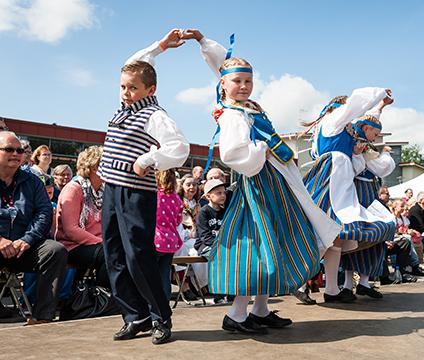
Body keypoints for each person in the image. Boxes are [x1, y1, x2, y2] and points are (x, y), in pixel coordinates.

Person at [185, 29, 339, 334]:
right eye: (237, 81)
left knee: (275, 244)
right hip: (256, 187)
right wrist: (262, 148)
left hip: (272, 185)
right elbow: (231, 153)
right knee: (256, 249)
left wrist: (205, 42)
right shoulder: (231, 114)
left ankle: (259, 308)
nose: (243, 86)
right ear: (223, 85)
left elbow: (223, 64)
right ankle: (236, 314)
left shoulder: (249, 108)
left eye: (248, 81)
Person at [99, 29, 190, 344]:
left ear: (150, 89)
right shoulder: (125, 106)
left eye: (133, 88)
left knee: (138, 254)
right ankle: (134, 316)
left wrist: (149, 159)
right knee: (113, 253)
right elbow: (134, 62)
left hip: (135, 192)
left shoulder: (154, 115)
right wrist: (162, 45)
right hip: (111, 188)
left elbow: (180, 148)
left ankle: (160, 317)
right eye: (123, 87)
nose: (125, 92)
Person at [299, 83, 396, 304]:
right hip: (332, 179)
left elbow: (366, 117)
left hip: (340, 180)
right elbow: (357, 106)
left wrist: (380, 105)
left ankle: (332, 289)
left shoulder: (341, 130)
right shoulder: (333, 121)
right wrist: (379, 93)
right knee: (326, 233)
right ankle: (300, 281)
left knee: (337, 237)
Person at [0, 131, 67, 325]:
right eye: (9, 149)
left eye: (20, 150)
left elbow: (44, 214)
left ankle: (42, 317)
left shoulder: (32, 182)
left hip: (23, 247)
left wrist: (27, 239)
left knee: (55, 251)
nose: (16, 154)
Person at [340, 99, 399, 299]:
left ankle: (363, 282)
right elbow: (381, 167)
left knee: (373, 235)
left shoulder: (363, 142)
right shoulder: (358, 144)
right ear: (365, 129)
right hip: (359, 193)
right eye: (375, 134)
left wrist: (381, 106)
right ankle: (349, 284)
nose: (376, 137)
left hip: (369, 193)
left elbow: (370, 119)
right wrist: (386, 155)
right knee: (357, 234)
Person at [55, 146, 108, 287]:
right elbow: (71, 229)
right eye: (106, 164)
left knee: (122, 250)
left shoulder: (103, 190)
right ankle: (101, 298)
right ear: (93, 167)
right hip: (71, 245)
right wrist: (100, 242)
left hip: (94, 243)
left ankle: (109, 299)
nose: (110, 169)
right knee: (109, 255)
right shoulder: (74, 189)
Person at [196, 179, 227, 303]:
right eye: (219, 193)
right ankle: (218, 294)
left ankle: (231, 292)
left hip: (222, 246)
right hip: (205, 246)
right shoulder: (203, 212)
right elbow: (205, 236)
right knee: (219, 259)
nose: (223, 195)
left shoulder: (225, 211)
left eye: (224, 193)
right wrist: (220, 247)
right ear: (208, 196)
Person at [154, 169, 183, 301]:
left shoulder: (155, 195)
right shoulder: (176, 198)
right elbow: (178, 220)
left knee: (152, 274)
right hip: (171, 240)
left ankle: (153, 304)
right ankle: (164, 303)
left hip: (156, 239)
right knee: (165, 274)